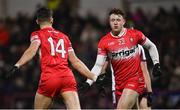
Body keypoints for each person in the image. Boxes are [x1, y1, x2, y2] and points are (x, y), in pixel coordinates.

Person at [6, 7, 97, 109]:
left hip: (49, 77)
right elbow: (75, 62)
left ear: (37, 21)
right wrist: (94, 77)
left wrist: (17, 65)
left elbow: (31, 51)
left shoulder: (37, 35)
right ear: (52, 20)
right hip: (67, 77)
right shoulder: (64, 37)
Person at [79, 8, 162, 109]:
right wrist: (88, 82)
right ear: (109, 22)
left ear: (123, 22)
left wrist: (156, 64)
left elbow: (151, 46)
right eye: (112, 20)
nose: (115, 23)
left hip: (135, 80)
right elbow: (98, 65)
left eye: (118, 20)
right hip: (119, 85)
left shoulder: (135, 34)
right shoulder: (104, 42)